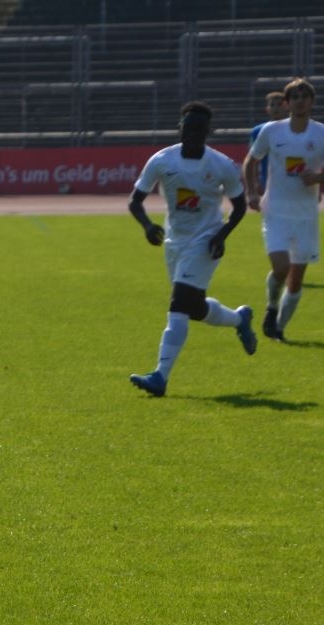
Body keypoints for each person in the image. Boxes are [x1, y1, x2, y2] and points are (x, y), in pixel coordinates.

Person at [128, 101, 256, 398]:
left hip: (205, 241)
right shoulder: (162, 160)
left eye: (199, 129)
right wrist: (147, 226)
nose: (193, 134)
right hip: (174, 242)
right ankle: (239, 318)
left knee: (178, 305)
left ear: (208, 131)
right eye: (189, 128)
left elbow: (239, 207)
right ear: (180, 129)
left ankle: (160, 376)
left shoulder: (221, 165)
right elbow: (135, 201)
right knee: (194, 307)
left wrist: (221, 235)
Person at [243, 77, 324, 343]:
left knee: (296, 279)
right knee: (281, 268)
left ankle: (278, 327)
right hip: (276, 211)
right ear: (287, 103)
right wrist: (252, 192)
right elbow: (251, 161)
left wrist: (318, 177)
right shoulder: (271, 131)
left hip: (306, 216)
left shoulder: (320, 133)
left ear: (311, 102)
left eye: (304, 97)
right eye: (295, 97)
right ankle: (271, 306)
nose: (300, 101)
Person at [249, 90, 288, 195]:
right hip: (268, 183)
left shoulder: (294, 129)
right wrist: (256, 182)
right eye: (272, 105)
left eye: (279, 105)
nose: (275, 108)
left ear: (286, 107)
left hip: (290, 183)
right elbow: (253, 161)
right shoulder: (258, 131)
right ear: (267, 109)